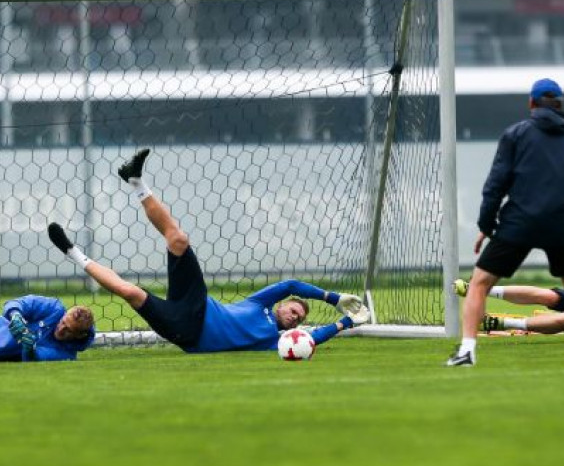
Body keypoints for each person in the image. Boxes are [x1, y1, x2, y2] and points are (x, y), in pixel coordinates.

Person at [46, 148, 369, 353]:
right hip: (198, 302)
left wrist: (346, 322)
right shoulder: (258, 304)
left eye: (298, 318)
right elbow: (291, 285)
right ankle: (135, 181)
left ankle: (73, 253)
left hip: (186, 331)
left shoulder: (275, 340)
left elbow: (312, 339)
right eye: (294, 310)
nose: (294, 316)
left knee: (130, 293)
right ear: (282, 306)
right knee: (178, 240)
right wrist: (333, 298)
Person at [447, 78, 564, 367]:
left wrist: (486, 226)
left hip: (518, 223)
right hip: (559, 225)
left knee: (479, 283)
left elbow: (495, 186)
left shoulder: (515, 135)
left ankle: (467, 351)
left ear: (531, 103)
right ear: (561, 105)